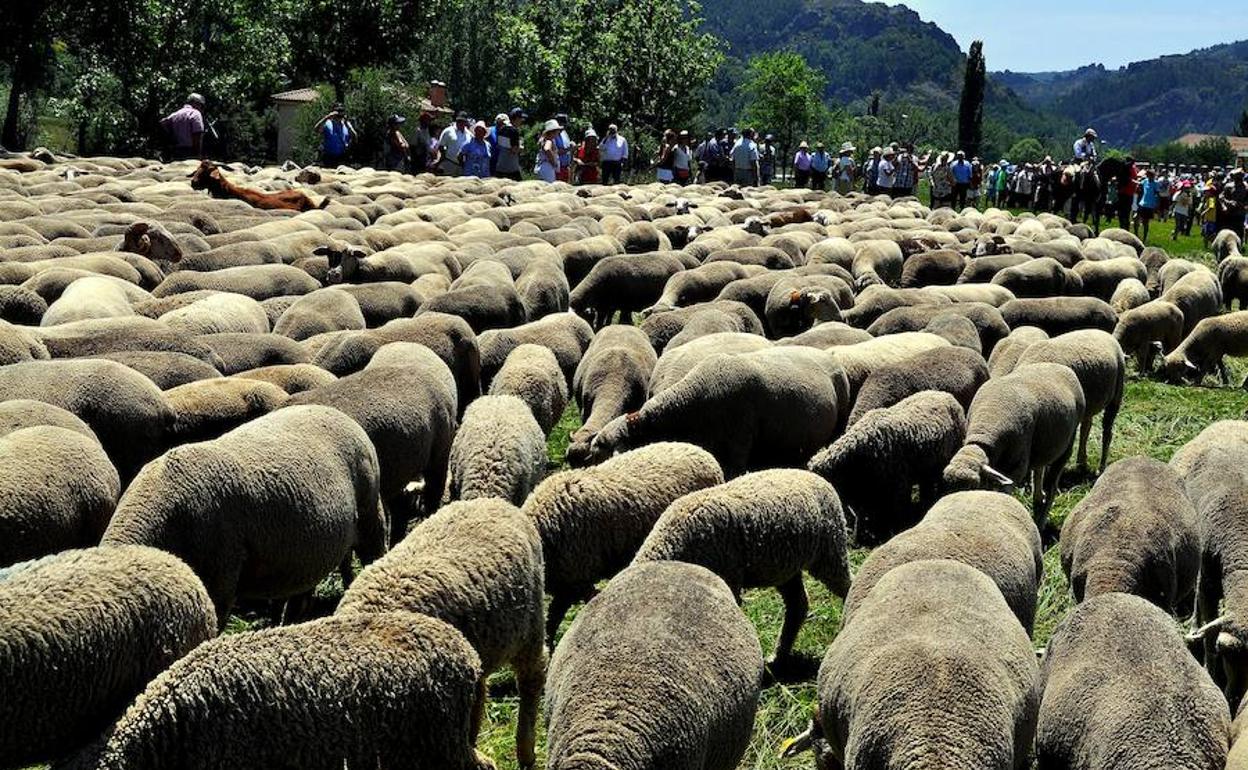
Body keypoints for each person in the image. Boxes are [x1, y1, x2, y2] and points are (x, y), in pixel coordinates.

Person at [161, 93, 206, 160]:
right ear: (195, 103)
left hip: (176, 151)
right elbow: (197, 134)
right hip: (189, 151)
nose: (201, 108)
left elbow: (163, 122)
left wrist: (171, 136)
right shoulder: (195, 113)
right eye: (201, 105)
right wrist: (198, 154)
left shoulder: (176, 114)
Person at [315, 103, 356, 167]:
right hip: (329, 158)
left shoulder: (346, 124)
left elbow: (354, 137)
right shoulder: (327, 123)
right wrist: (327, 117)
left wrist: (348, 125)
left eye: (341, 111)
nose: (339, 113)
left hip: (342, 158)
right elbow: (316, 129)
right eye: (337, 111)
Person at [494, 108, 525, 181]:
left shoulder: (501, 129)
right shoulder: (514, 131)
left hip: (500, 168)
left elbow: (501, 146)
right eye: (521, 118)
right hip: (511, 169)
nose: (521, 121)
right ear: (517, 118)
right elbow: (514, 150)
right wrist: (521, 148)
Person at [1222, 168, 1248, 240]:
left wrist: (1244, 204)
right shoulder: (1228, 186)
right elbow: (1221, 197)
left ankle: (1239, 244)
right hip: (1230, 211)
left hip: (1240, 211)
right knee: (1229, 229)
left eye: (1240, 177)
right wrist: (1227, 203)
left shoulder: (1246, 187)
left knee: (1240, 229)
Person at [1134, 167, 1159, 242]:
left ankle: (1144, 238)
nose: (1150, 177)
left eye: (1151, 175)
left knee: (1145, 222)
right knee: (1135, 218)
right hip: (1142, 203)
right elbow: (1139, 185)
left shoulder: (1156, 183)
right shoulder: (1145, 181)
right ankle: (1136, 235)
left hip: (1150, 205)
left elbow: (1157, 194)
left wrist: (1156, 205)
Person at [1115, 155, 1138, 231]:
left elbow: (1132, 179)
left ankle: (1125, 227)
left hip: (1127, 193)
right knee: (1123, 212)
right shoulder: (1127, 168)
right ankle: (1123, 227)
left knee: (1125, 212)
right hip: (1125, 192)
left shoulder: (1131, 169)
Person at [554, 113, 573, 182]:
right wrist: (569, 149)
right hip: (558, 168)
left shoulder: (564, 133)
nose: (563, 126)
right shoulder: (554, 135)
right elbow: (555, 151)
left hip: (566, 166)